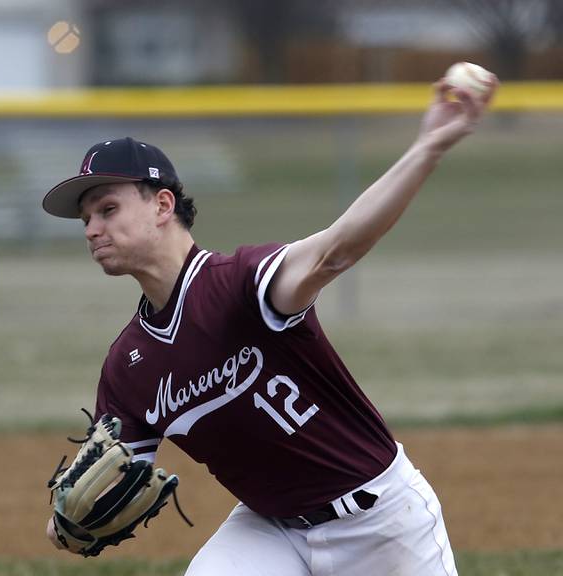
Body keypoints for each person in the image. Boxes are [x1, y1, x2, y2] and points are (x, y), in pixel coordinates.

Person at [41, 75, 498, 575]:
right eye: (85, 218)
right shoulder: (128, 364)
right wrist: (65, 523)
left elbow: (334, 251)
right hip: (270, 529)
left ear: (162, 205)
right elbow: (108, 474)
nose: (91, 229)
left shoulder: (239, 284)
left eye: (107, 209)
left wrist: (429, 145)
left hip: (381, 521)